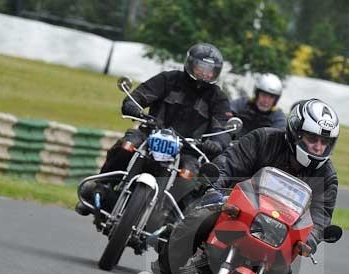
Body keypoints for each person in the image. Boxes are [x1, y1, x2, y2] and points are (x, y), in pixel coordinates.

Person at [141, 98, 340, 274]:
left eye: (324, 142)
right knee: (193, 222)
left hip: (278, 232)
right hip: (237, 211)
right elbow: (230, 162)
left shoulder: (326, 175)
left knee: (282, 273)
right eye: (312, 139)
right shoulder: (264, 140)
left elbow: (321, 214)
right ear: (295, 131)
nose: (318, 146)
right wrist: (216, 185)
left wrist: (311, 240)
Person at [76, 43, 232, 215]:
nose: (204, 73)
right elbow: (138, 96)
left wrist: (216, 143)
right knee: (127, 144)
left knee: (190, 174)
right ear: (190, 64)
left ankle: (171, 217)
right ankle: (100, 188)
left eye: (210, 70)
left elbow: (223, 128)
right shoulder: (169, 79)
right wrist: (133, 106)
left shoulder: (218, 98)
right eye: (201, 67)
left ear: (216, 73)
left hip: (188, 149)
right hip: (150, 134)